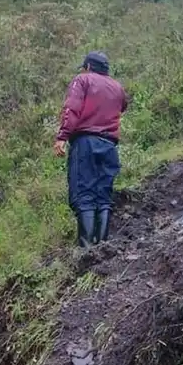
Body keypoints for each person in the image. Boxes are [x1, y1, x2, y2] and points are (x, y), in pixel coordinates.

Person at [54, 51, 128, 248]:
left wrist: (62, 136)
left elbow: (72, 108)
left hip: (85, 142)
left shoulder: (82, 80)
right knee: (103, 195)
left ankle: (86, 249)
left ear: (88, 67)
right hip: (109, 145)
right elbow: (123, 106)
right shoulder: (117, 87)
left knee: (83, 193)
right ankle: (102, 245)